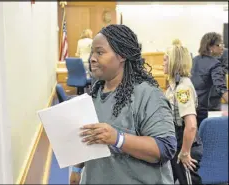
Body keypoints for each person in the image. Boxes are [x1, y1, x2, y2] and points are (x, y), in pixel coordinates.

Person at [70, 24, 177, 184]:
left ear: (122, 56)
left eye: (100, 52)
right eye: (92, 52)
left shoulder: (148, 95)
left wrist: (117, 139)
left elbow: (165, 147)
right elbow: (89, 139)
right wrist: (77, 168)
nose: (92, 58)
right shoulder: (94, 94)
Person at [164, 45, 203, 184]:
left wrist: (185, 152)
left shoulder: (182, 89)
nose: (163, 63)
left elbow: (191, 125)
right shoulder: (174, 86)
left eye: (166, 60)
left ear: (175, 62)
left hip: (186, 145)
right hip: (177, 142)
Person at [191, 32, 228, 126]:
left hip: (191, 108)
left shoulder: (193, 60)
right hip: (208, 109)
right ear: (210, 47)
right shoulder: (215, 64)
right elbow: (221, 89)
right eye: (219, 44)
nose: (222, 47)